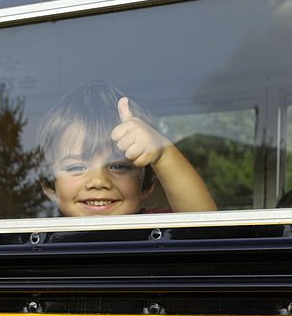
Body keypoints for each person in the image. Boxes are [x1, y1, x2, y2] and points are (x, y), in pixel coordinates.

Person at [39, 81, 216, 217]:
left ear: (146, 184)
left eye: (118, 166)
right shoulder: (37, 237)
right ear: (50, 187)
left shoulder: (158, 227)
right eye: (76, 167)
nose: (99, 182)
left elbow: (204, 224)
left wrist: (163, 155)